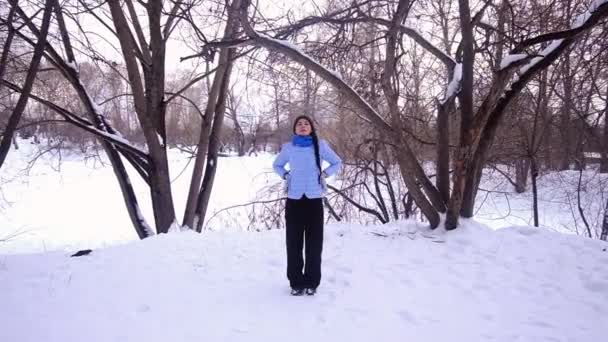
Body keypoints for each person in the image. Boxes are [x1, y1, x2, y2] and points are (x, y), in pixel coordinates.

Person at [273, 115, 342, 296]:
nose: (303, 126)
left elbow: (337, 162)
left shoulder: (320, 146)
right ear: (295, 129)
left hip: (314, 200)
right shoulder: (289, 148)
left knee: (314, 244)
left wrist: (324, 175)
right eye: (299, 124)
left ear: (311, 128)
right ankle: (296, 283)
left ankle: (312, 282)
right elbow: (277, 165)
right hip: (294, 201)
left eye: (306, 124)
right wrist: (286, 176)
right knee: (293, 244)